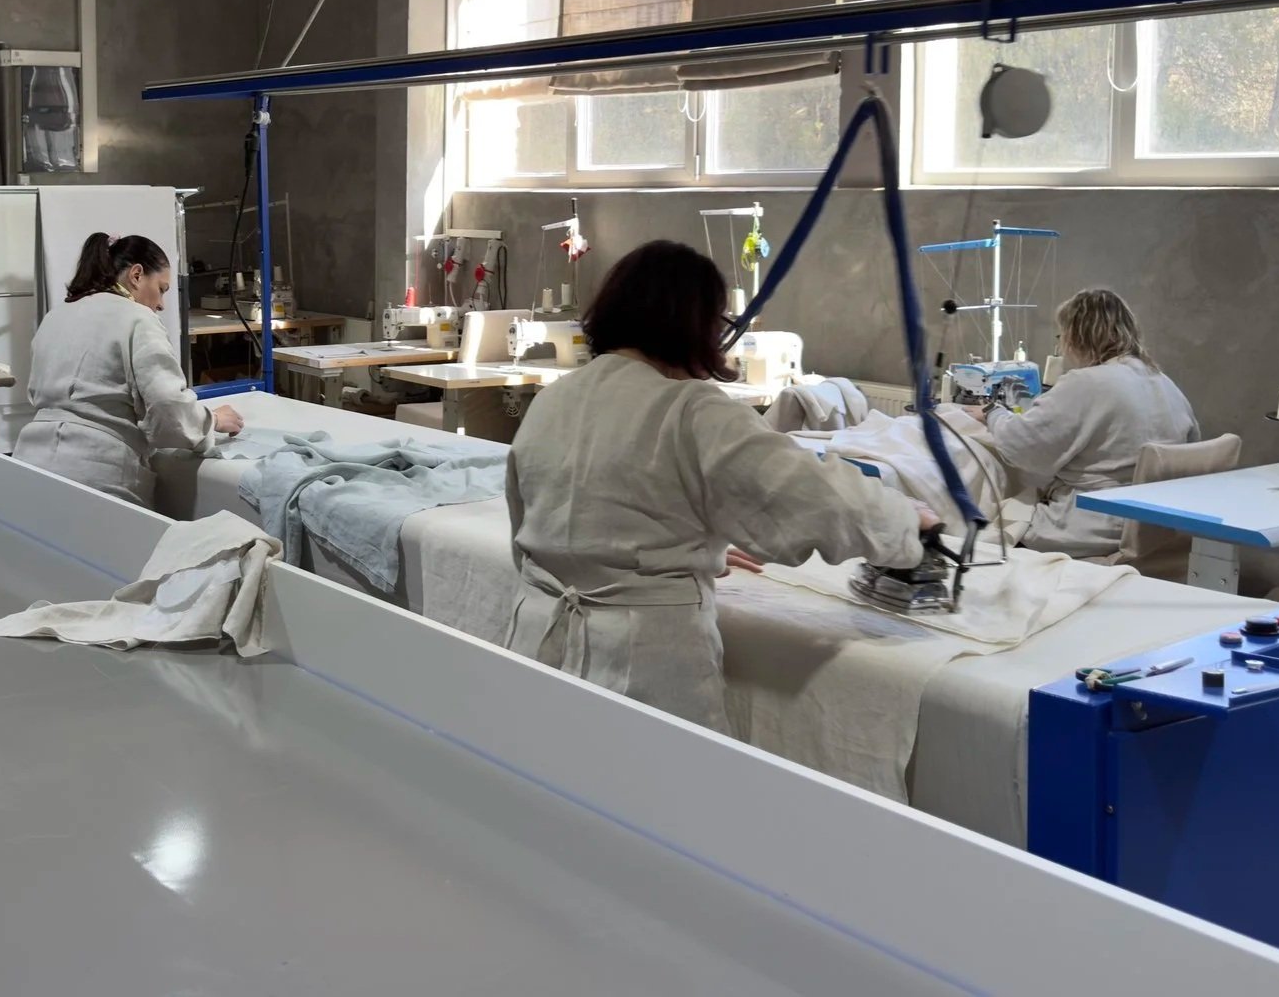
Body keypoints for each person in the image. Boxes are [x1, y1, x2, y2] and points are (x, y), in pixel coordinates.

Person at [505, 240, 935, 731]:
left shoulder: (555, 398)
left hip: (538, 641)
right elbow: (807, 492)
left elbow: (542, 519)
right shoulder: (690, 408)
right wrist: (906, 522)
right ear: (697, 323)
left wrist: (681, 541)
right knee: (649, 799)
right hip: (640, 662)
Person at [12, 232, 241, 507]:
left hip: (30, 460)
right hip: (96, 472)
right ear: (136, 275)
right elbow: (167, 409)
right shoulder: (137, 318)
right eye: (162, 288)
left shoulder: (56, 315)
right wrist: (212, 420)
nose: (161, 304)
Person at [981, 288, 1198, 558]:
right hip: (1158, 527)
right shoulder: (1164, 383)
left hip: (1093, 525)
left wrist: (991, 412)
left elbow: (1022, 447)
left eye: (1062, 336)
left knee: (986, 526)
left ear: (1076, 335)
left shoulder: (1087, 383)